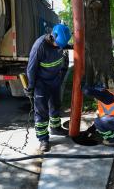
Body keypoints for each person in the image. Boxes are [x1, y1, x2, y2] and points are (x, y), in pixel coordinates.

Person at [25, 24, 72, 152]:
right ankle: (43, 139)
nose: (60, 47)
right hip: (41, 83)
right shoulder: (39, 46)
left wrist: (74, 46)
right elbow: (31, 69)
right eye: (59, 44)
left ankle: (55, 128)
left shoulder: (59, 43)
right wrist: (31, 86)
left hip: (55, 79)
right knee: (41, 111)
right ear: (52, 37)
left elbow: (63, 46)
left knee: (55, 105)